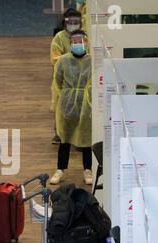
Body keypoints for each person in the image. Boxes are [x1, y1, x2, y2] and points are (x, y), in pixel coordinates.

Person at [50, 30, 93, 186]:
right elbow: (58, 81)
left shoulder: (92, 61)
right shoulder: (63, 61)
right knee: (64, 137)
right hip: (67, 103)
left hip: (87, 104)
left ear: (86, 42)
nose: (77, 44)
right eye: (74, 41)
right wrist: (66, 97)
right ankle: (61, 169)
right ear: (70, 43)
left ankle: (88, 170)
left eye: (80, 40)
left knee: (86, 137)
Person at [50, 9, 83, 145]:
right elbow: (55, 58)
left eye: (77, 22)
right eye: (71, 22)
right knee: (60, 106)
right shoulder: (59, 38)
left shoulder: (84, 37)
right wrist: (72, 58)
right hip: (63, 79)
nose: (74, 25)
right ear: (65, 22)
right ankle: (59, 133)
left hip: (81, 78)